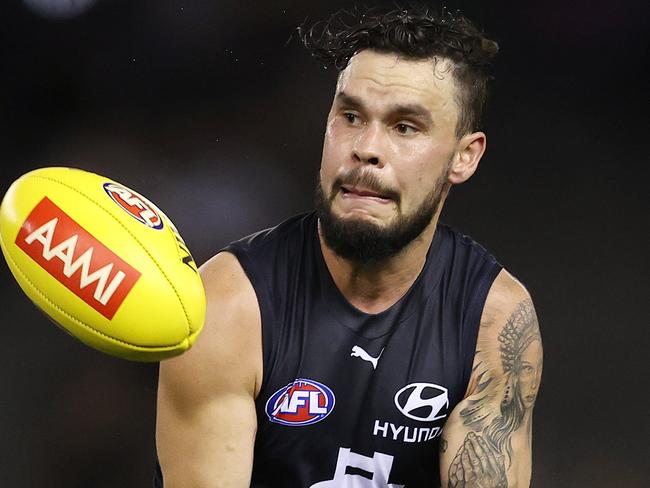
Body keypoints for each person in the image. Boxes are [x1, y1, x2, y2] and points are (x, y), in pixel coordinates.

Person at [154, 5, 543, 487]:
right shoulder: (230, 304)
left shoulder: (493, 321)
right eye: (352, 116)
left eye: (405, 127)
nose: (366, 147)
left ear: (465, 157)